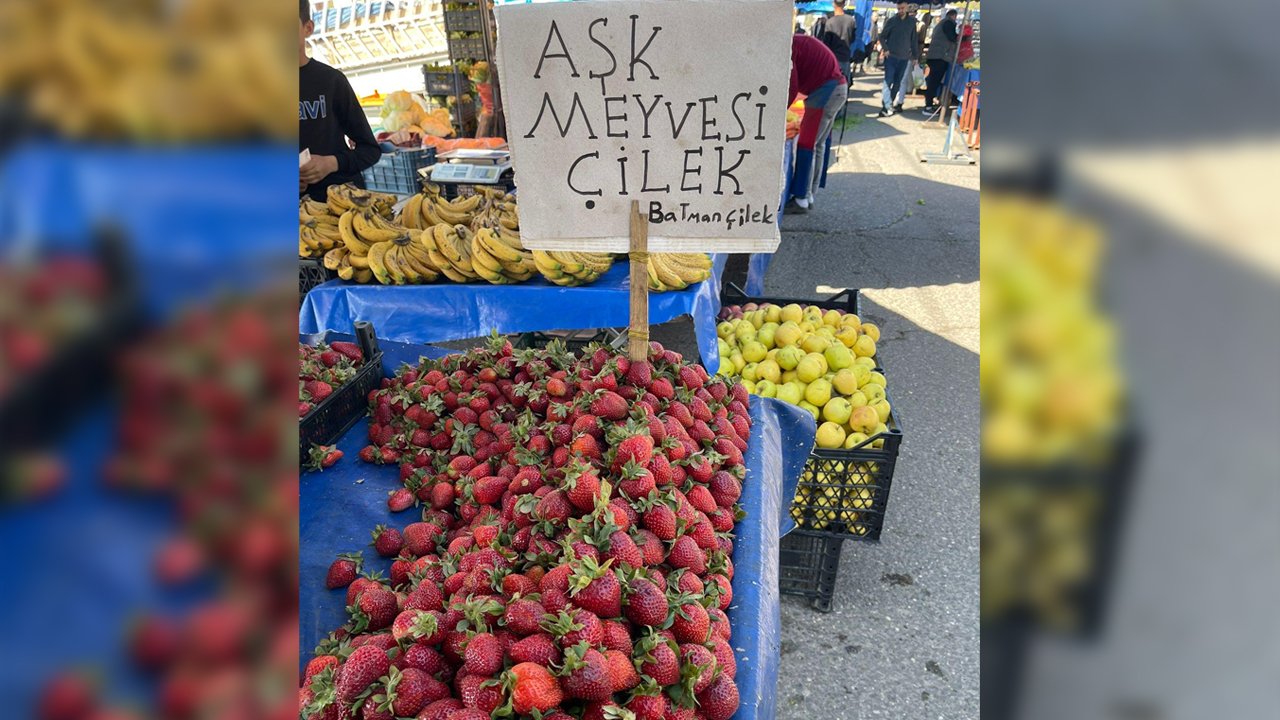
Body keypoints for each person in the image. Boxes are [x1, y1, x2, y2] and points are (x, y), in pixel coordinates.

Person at [299, 0, 380, 201]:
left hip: (340, 207)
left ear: (308, 28)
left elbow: (370, 149)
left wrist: (331, 163)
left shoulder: (331, 81)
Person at [786, 34, 848, 214]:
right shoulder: (797, 41)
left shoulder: (788, 48)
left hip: (825, 93)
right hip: (837, 89)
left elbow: (792, 85)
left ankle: (801, 199)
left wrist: (780, 112)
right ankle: (810, 193)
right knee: (818, 145)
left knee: (806, 145)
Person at [877, 2, 918, 117]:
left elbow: (914, 40)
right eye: (899, 8)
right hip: (891, 57)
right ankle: (888, 105)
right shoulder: (892, 21)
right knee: (887, 81)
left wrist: (915, 56)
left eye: (902, 8)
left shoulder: (911, 23)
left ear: (907, 8)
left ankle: (887, 105)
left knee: (897, 83)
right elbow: (882, 36)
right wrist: (885, 49)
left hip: (904, 57)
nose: (900, 10)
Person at [812, 0, 859, 84]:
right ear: (844, 4)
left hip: (832, 58)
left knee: (831, 85)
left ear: (833, 4)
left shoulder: (830, 22)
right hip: (845, 57)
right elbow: (853, 39)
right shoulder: (851, 20)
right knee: (844, 84)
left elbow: (826, 44)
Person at [923, 9, 959, 114]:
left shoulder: (941, 23)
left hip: (934, 55)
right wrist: (962, 36)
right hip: (940, 56)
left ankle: (929, 104)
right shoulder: (949, 23)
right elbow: (952, 37)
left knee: (933, 81)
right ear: (954, 16)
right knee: (934, 82)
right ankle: (928, 107)